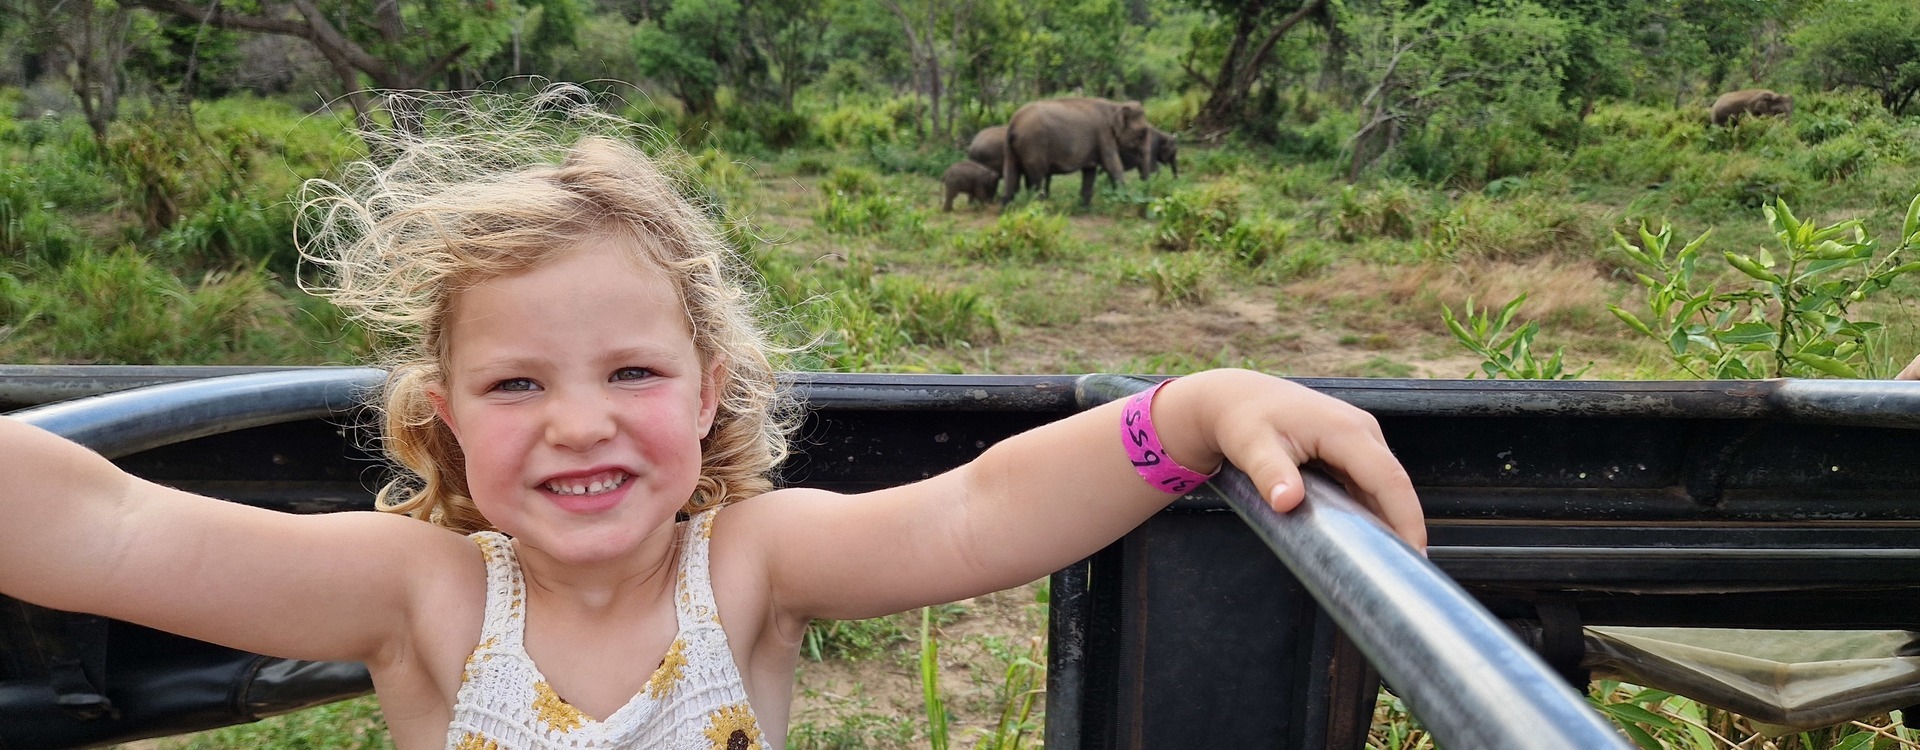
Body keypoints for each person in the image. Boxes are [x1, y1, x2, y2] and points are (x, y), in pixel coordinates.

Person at [0, 87, 1423, 750]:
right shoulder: (423, 598)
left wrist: (1188, 409)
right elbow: (113, 522)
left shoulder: (747, 570)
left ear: (707, 397)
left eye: (630, 373)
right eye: (515, 385)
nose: (577, 424)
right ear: (442, 424)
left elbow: (984, 507)